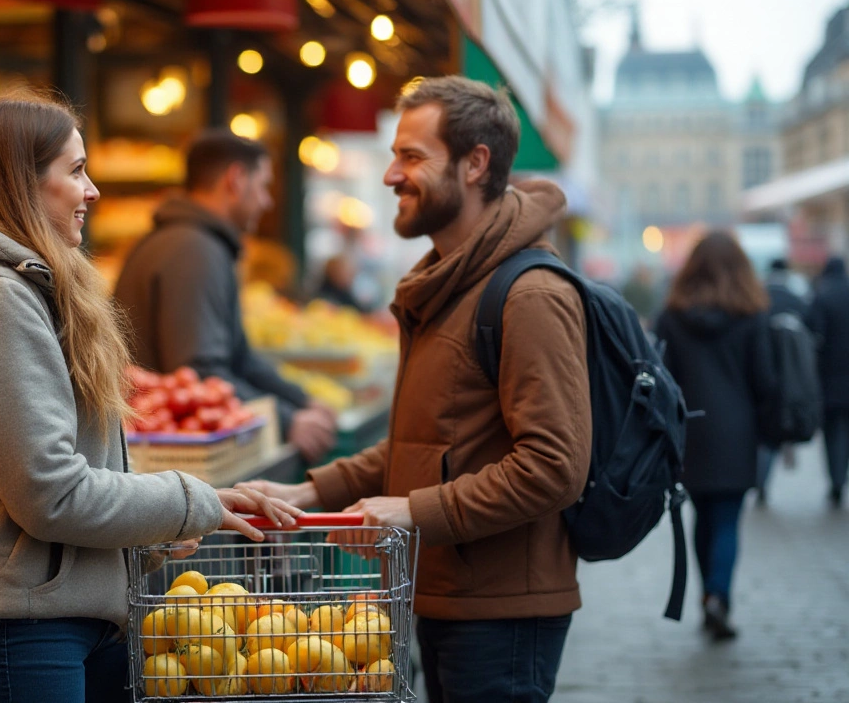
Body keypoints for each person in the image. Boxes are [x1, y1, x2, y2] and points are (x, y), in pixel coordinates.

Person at [0, 92, 301, 703]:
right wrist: (184, 499)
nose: (92, 190)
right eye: (75, 171)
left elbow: (64, 477)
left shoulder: (22, 286)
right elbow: (50, 492)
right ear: (21, 182)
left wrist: (165, 521)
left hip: (67, 619)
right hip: (26, 634)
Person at [241, 76, 591, 702]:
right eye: (393, 155)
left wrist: (414, 511)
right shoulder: (444, 286)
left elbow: (555, 466)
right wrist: (309, 488)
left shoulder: (531, 295)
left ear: (475, 164)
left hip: (502, 613)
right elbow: (421, 442)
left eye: (412, 156)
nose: (390, 176)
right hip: (445, 594)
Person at [113, 130, 337, 463]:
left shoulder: (187, 243)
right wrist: (287, 421)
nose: (267, 201)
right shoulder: (193, 251)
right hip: (174, 461)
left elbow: (240, 357)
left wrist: (301, 400)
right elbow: (199, 371)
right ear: (236, 179)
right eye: (263, 186)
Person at [654, 231, 775, 641]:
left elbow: (662, 376)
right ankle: (718, 596)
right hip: (736, 432)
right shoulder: (752, 314)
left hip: (689, 430)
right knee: (727, 520)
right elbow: (764, 379)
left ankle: (708, 597)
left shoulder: (672, 314)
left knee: (701, 517)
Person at [757, 258, 811, 503]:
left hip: (762, 374)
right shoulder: (796, 299)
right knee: (778, 425)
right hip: (792, 377)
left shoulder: (757, 298)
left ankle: (761, 482)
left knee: (764, 431)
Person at [808, 256, 849, 507]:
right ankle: (841, 476)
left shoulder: (822, 296)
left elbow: (814, 335)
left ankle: (836, 481)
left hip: (830, 380)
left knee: (833, 433)